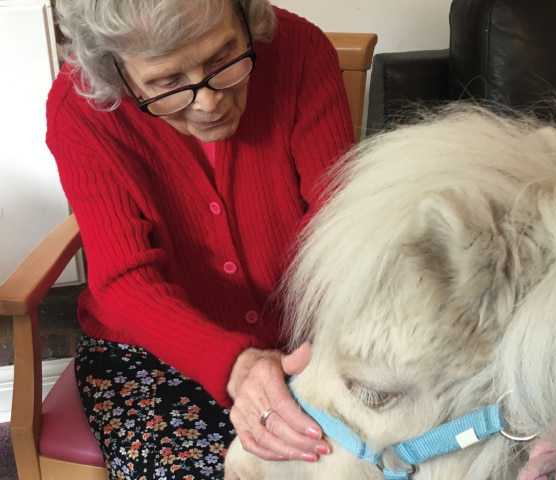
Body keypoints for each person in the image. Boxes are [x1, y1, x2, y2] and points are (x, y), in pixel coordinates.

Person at [48, 0, 355, 479]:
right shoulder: (83, 110)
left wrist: (328, 344)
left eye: (224, 58)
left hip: (307, 327)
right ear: (116, 71)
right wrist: (235, 364)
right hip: (149, 353)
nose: (209, 102)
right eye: (168, 83)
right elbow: (127, 280)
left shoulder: (298, 50)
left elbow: (340, 217)